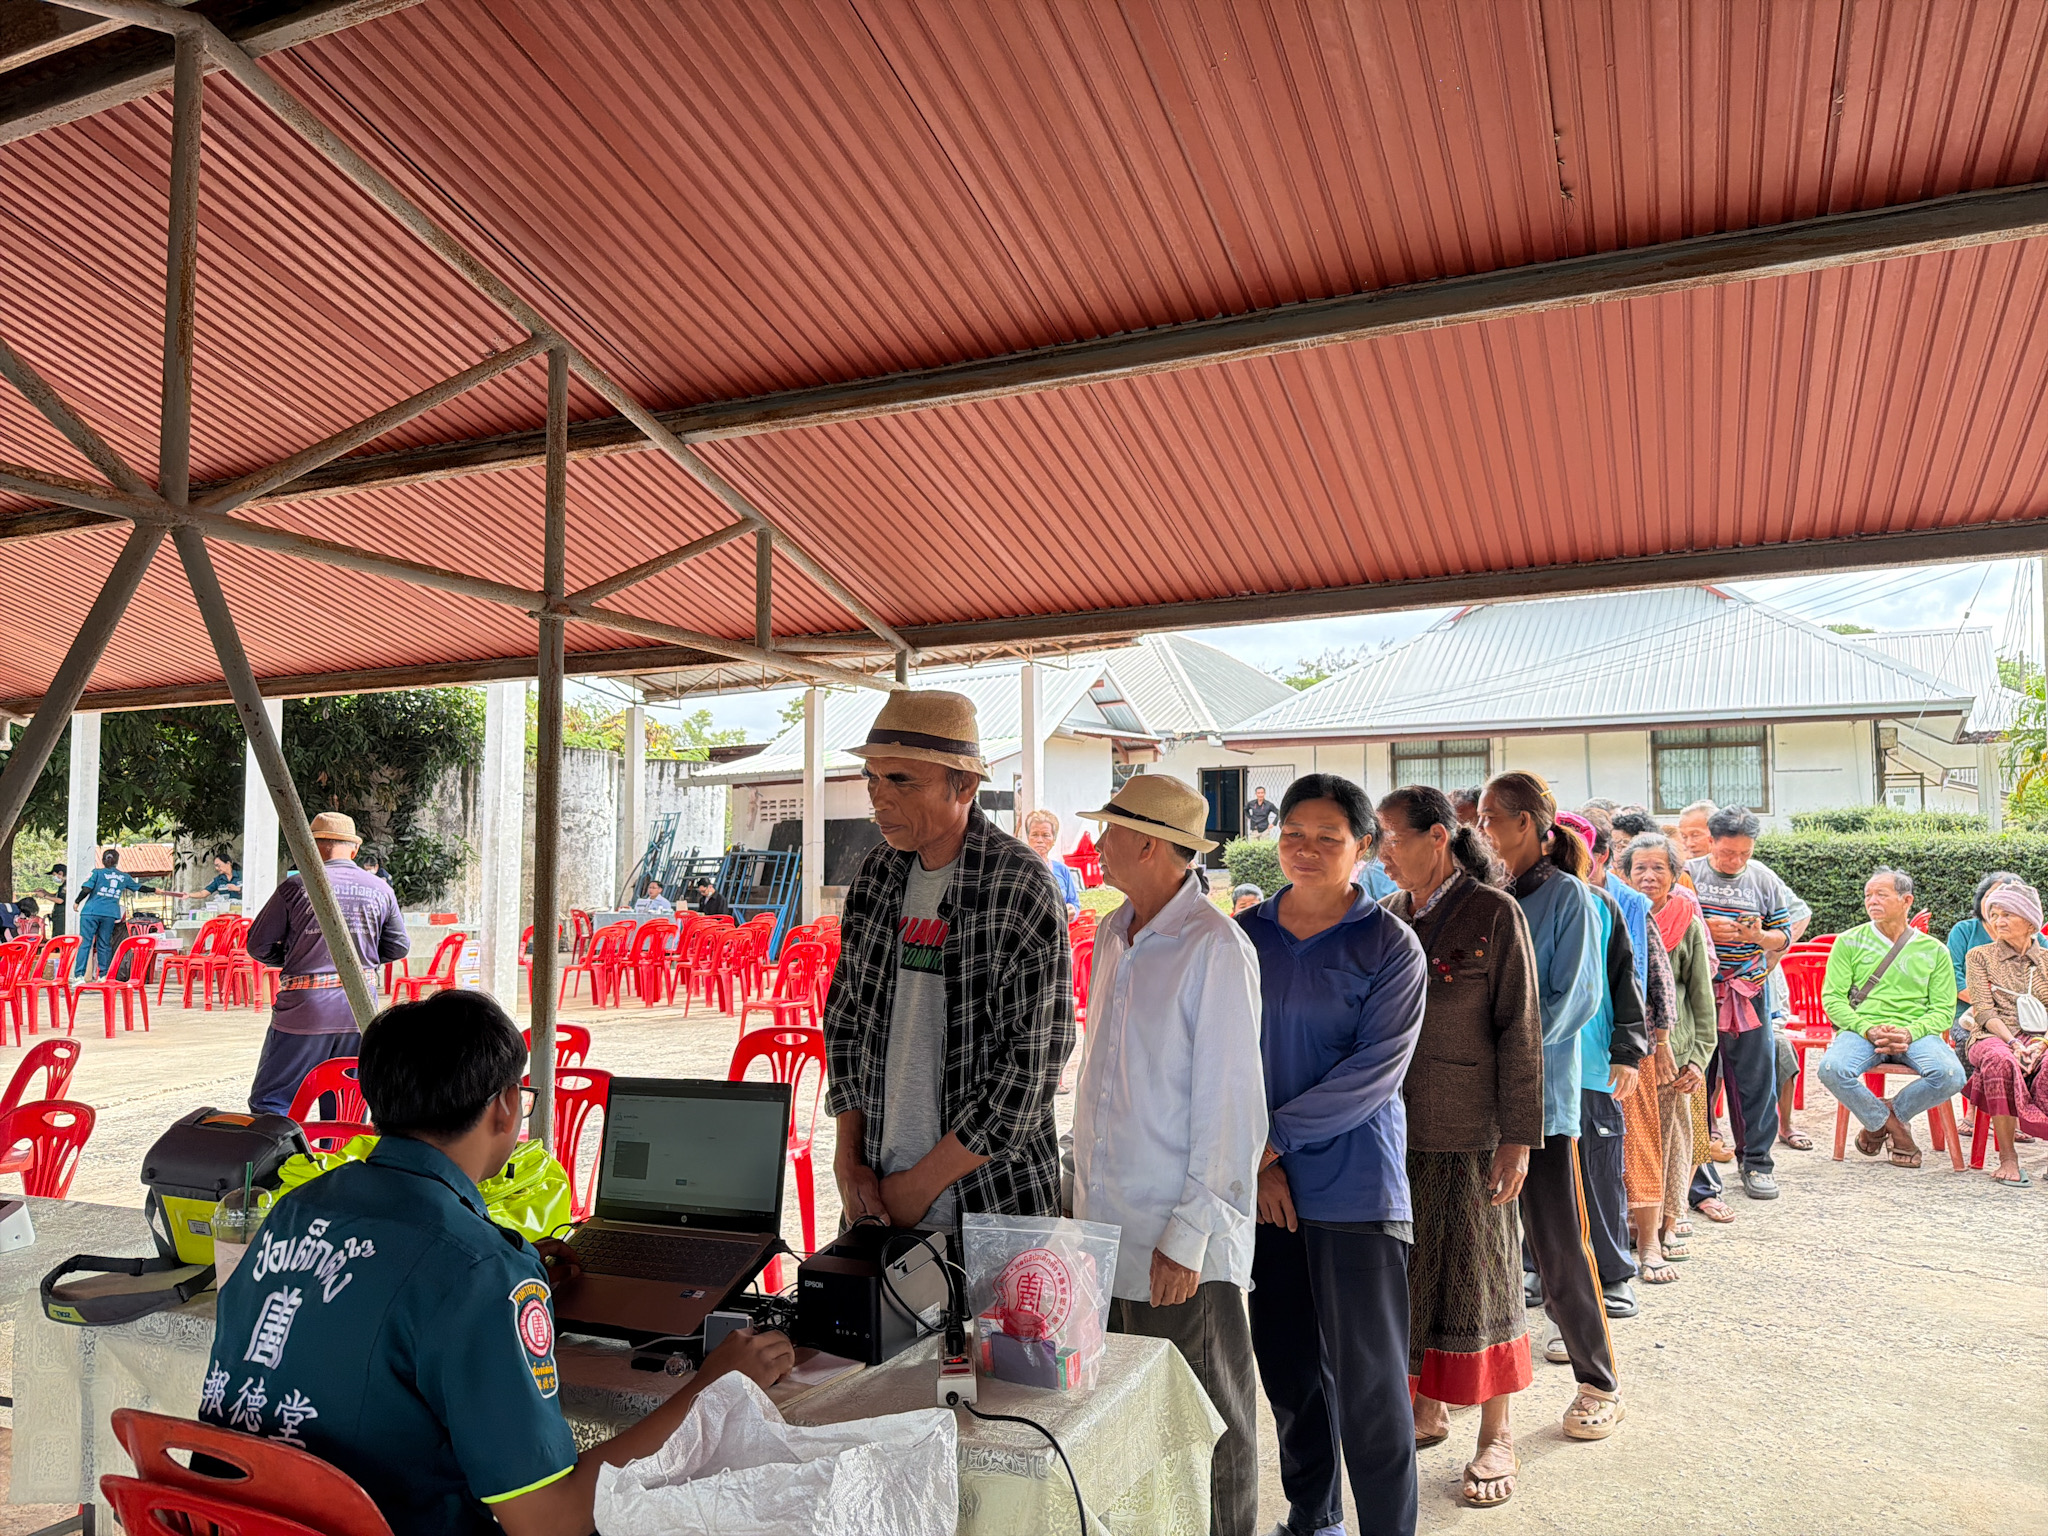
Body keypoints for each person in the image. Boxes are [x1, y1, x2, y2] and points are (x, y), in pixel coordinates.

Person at [202, 989, 793, 1534]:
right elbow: (548, 1521)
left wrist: (503, 1288)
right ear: (508, 1106)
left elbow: (371, 1298)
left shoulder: (296, 1208)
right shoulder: (481, 1271)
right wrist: (714, 1387)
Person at [1069, 775, 1266, 1536]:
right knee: (1135, 1418)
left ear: (1149, 845)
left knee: (1206, 1421)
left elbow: (1232, 1109)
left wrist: (1188, 1234)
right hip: (1112, 1229)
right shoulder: (1115, 934)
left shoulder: (1214, 946)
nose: (1099, 844)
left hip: (1178, 1239)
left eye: (1111, 831)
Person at [1236, 774, 1426, 1536]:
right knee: (1289, 1372)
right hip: (1266, 1189)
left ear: (1363, 847)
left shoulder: (1389, 945)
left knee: (1370, 1388)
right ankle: (1312, 1518)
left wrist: (1270, 1141)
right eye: (1293, 835)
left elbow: (1373, 1073)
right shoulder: (1244, 936)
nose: (1305, 850)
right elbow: (1223, 1056)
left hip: (1354, 1190)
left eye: (1327, 838)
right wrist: (1260, 1164)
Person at [825, 690, 1073, 1231]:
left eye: (901, 780)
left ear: (963, 786)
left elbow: (1032, 1068)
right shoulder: (876, 875)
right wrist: (849, 1159)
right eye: (872, 777)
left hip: (994, 1205)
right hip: (878, 1195)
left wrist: (920, 1185)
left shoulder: (1019, 884)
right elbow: (845, 1022)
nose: (878, 797)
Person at [1377, 786, 1541, 1509]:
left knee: (1484, 1276)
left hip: (1475, 1131)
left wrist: (1518, 1138)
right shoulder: (1388, 915)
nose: (1382, 853)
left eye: (1392, 837)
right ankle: (1427, 1407)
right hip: (1396, 1130)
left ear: (1438, 837)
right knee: (1411, 1275)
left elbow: (1521, 1028)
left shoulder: (1494, 912)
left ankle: (1496, 1433)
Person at [1478, 772, 1624, 1442]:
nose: (1482, 829)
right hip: (1477, 1098)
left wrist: (1509, 1054)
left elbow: (1576, 999)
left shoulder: (1569, 896)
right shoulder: (1491, 893)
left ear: (1528, 823)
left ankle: (1598, 1383)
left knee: (1559, 1246)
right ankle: (1468, 1380)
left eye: (1491, 817)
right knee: (1481, 1248)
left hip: (1540, 1099)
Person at [246, 813, 411, 1117]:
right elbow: (398, 946)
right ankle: (341, 1149)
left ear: (309, 847)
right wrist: (357, 962)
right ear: (354, 850)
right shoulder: (381, 889)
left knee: (273, 1103)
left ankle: (279, 1149)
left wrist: (295, 957)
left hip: (304, 1010)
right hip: (359, 1012)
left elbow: (258, 945)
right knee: (346, 1107)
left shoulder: (295, 887)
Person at [1559, 810, 1654, 1312]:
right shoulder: (1512, 904)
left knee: (1599, 1173)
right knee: (1537, 1176)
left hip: (1593, 1067)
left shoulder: (1602, 905)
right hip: (1535, 1070)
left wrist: (1627, 1053)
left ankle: (1613, 1273)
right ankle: (1535, 1268)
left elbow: (1626, 982)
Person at [1817, 868, 1964, 1169]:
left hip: (1916, 1033)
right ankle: (1895, 1127)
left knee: (1951, 1075)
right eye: (1868, 895)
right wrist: (1866, 1028)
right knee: (1831, 1069)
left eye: (1881, 894)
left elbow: (1943, 1010)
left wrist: (1910, 1032)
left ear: (1906, 900)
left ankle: (1881, 1119)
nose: (1872, 901)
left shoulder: (1934, 950)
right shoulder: (1849, 941)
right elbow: (1832, 999)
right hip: (1861, 1030)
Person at [1685, 807, 1793, 1202]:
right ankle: (1695, 1168)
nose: (1736, 860)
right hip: (1696, 991)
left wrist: (1760, 937)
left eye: (1745, 853)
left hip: (1747, 991)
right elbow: (1667, 923)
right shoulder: (1688, 875)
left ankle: (1757, 1162)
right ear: (1711, 841)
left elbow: (1783, 936)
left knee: (1755, 1078)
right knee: (1694, 1078)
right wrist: (1704, 929)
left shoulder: (1763, 879)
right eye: (1728, 852)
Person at [1619, 835, 1715, 1264]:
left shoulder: (1685, 921)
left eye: (1658, 868)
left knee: (1674, 1139)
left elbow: (1701, 997)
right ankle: (1635, 1223)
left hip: (1675, 1052)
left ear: (1675, 875)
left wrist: (1699, 1057)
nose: (1649, 876)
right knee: (1635, 1142)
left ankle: (1669, 1224)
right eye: (1640, 868)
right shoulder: (1621, 915)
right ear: (1625, 874)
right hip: (1631, 1051)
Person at [1960, 880, 2048, 1186]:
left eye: (2007, 914)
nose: (1998, 921)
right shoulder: (1979, 956)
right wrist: (2013, 1043)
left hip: (2039, 1037)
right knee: (2000, 1060)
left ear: (2030, 922)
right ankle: (2008, 1158)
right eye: (1994, 914)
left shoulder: (2046, 961)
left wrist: (2040, 1044)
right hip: (1991, 1035)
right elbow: (1984, 1012)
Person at [1950, 871, 2020, 1040]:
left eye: (2004, 897)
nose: (1995, 903)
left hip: (2021, 1017)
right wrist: (1987, 1006)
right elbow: (1951, 975)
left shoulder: (2032, 937)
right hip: (1968, 1018)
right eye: (1989, 896)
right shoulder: (1964, 931)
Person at [73, 847, 143, 977]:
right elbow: (140, 887)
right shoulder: (123, 877)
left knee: (85, 943)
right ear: (117, 861)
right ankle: (104, 975)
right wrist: (156, 890)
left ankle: (79, 975)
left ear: (103, 860)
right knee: (104, 944)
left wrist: (77, 901)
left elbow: (87, 889)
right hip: (109, 914)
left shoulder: (96, 873)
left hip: (91, 912)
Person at [1023, 809, 1083, 919]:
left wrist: (1072, 910)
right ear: (1028, 838)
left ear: (1054, 840)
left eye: (1045, 835)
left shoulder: (1062, 870)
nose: (1040, 840)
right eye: (1035, 835)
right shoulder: (1020, 868)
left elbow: (1074, 903)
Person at [37, 863, 66, 937]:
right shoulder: (62, 885)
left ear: (61, 873)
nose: (54, 877)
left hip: (62, 915)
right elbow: (56, 896)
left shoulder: (67, 886)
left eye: (54, 875)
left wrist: (44, 896)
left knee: (59, 936)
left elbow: (61, 900)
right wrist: (45, 892)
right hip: (58, 915)